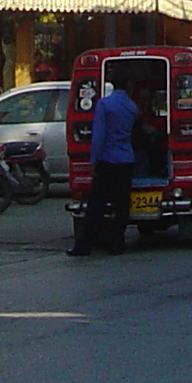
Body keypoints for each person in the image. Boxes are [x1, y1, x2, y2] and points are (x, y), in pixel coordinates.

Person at [71, 75, 141, 258]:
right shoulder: (132, 107)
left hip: (107, 159)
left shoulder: (105, 104)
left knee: (97, 204)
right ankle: (117, 243)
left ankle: (84, 245)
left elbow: (99, 135)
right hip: (126, 158)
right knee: (122, 203)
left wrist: (93, 160)